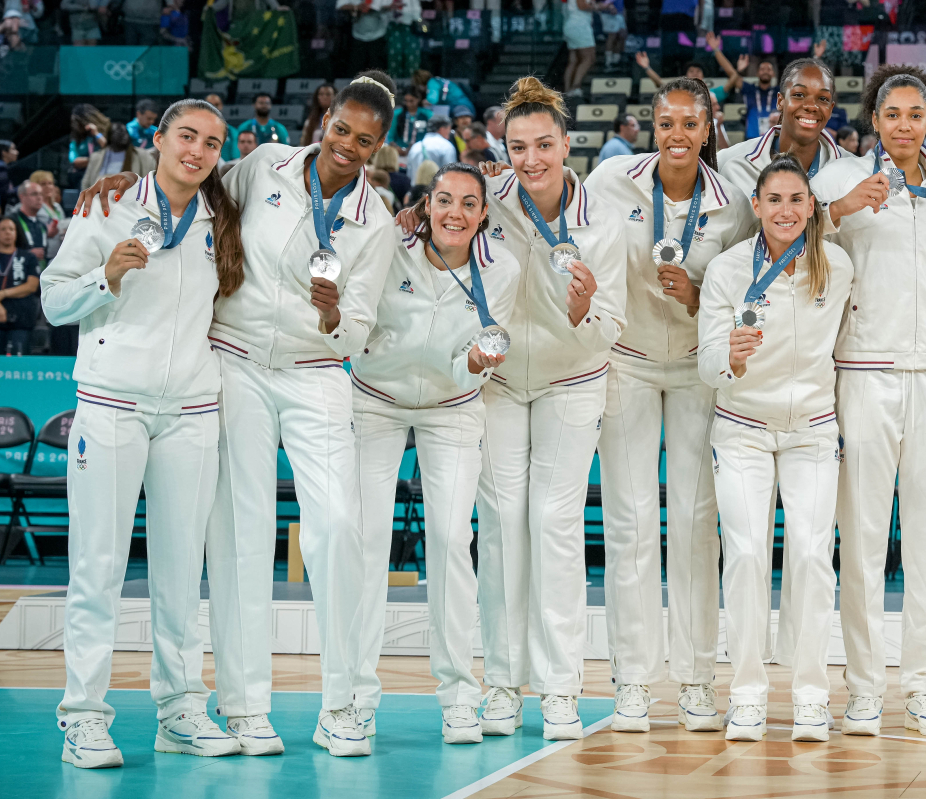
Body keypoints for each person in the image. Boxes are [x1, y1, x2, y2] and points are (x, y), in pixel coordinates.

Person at [76, 71, 401, 758]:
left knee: (340, 525)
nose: (346, 144)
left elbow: (362, 325)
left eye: (363, 140)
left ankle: (342, 703)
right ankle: (246, 705)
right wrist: (125, 177)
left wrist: (335, 314)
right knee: (239, 536)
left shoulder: (376, 221)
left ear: (378, 147)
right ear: (325, 117)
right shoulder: (263, 165)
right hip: (238, 362)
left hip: (317, 373)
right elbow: (190, 180)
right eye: (341, 128)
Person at [42, 98, 246, 769]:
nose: (197, 150)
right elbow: (52, 298)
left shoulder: (222, 218)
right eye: (186, 136)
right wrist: (106, 276)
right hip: (110, 404)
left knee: (183, 571)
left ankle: (181, 708)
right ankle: (83, 718)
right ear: (158, 139)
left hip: (190, 410)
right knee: (98, 565)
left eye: (212, 143)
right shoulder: (106, 206)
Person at [582, 77, 754, 735]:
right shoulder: (609, 182)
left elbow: (741, 288)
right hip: (624, 358)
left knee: (693, 522)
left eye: (689, 124)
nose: (677, 135)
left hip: (694, 368)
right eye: (666, 123)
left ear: (709, 130)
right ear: (651, 126)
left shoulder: (733, 203)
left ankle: (695, 681)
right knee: (628, 522)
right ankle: (632, 680)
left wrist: (696, 292)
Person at [812, 65, 926, 739]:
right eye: (892, 114)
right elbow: (788, 241)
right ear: (874, 122)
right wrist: (843, 210)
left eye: (915, 114)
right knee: (865, 539)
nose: (904, 124)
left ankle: (925, 686)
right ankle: (865, 688)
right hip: (865, 372)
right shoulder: (837, 182)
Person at [471, 77, 627, 741]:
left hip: (574, 379)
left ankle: (561, 690)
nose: (529, 159)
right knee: (503, 525)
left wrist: (583, 311)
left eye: (542, 145)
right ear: (501, 148)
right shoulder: (487, 200)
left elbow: (612, 327)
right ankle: (503, 685)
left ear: (568, 143)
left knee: (555, 526)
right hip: (502, 383)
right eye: (516, 147)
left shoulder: (604, 222)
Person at [351, 162, 520, 745]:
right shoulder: (387, 245)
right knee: (367, 541)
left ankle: (458, 697)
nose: (454, 213)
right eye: (443, 200)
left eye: (468, 204)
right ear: (425, 206)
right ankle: (352, 698)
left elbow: (482, 347)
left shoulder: (503, 271)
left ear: (482, 216)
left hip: (453, 406)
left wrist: (469, 364)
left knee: (451, 541)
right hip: (374, 400)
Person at [696, 152, 852, 742]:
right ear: (756, 207)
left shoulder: (836, 266)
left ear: (811, 208)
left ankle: (812, 696)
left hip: (813, 430)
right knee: (745, 555)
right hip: (741, 429)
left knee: (813, 557)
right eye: (774, 200)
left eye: (796, 200)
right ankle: (746, 695)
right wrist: (729, 359)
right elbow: (709, 362)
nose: (785, 210)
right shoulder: (728, 270)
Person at [718, 58, 850, 198]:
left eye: (823, 98)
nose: (811, 106)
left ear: (831, 109)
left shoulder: (852, 170)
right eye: (799, 95)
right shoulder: (728, 162)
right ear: (780, 101)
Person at [0, 217, 39, 354]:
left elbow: (31, 286)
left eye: (11, 229)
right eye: (3, 229)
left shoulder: (28, 257)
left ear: (17, 232)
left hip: (21, 319)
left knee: (19, 362)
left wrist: (3, 294)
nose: (7, 233)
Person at [82, 123, 158, 189]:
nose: (118, 151)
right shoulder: (96, 157)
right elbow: (86, 183)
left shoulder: (143, 157)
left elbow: (152, 182)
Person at [562, 0, 607, 102]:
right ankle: (575, 87)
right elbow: (582, 6)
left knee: (573, 60)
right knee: (589, 58)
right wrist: (598, 7)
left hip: (572, 25)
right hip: (579, 26)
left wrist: (596, 5)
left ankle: (567, 91)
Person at [9, 180, 52, 266]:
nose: (39, 198)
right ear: (22, 197)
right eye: (34, 194)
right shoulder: (11, 221)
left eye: (41, 194)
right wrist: (27, 254)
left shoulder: (42, 225)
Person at [390, 87, 433, 155]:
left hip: (421, 151)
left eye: (411, 101)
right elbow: (390, 136)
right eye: (406, 101)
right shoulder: (397, 114)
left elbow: (431, 135)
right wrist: (396, 147)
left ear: (418, 99)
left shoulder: (427, 114)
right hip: (400, 151)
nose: (408, 104)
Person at [202, 93, 241, 162]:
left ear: (222, 106)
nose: (214, 107)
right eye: (210, 104)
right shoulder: (196, 129)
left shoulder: (232, 132)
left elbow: (235, 158)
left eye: (217, 104)